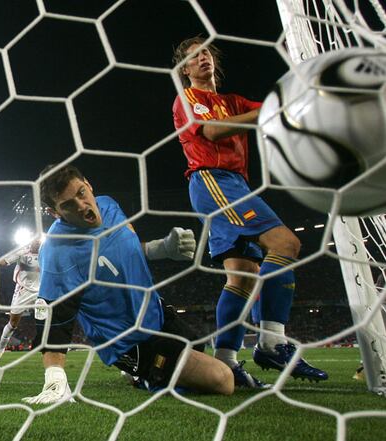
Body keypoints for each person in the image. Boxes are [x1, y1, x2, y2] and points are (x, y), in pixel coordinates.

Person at [172, 36, 328, 384]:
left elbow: (280, 106)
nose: (203, 59)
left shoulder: (233, 101)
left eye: (207, 52)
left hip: (235, 184)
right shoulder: (188, 98)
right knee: (286, 244)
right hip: (212, 180)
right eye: (194, 56)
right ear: (185, 69)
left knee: (242, 275)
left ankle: (226, 361)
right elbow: (211, 131)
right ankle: (272, 343)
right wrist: (264, 113)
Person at [23, 164, 234, 404]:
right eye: (68, 205)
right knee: (221, 379)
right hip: (128, 342)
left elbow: (126, 250)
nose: (82, 206)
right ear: (55, 212)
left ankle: (142, 375)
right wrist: (55, 377)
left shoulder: (109, 205)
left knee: (198, 350)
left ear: (89, 185)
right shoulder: (57, 251)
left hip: (157, 315)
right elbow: (53, 316)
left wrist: (163, 248)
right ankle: (143, 375)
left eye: (81, 193)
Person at [0, 239, 41, 363]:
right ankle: (1, 349)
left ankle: (56, 344)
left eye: (39, 241)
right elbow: (5, 261)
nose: (37, 243)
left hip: (40, 291)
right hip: (23, 291)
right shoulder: (22, 252)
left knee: (50, 316)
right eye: (35, 241)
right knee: (13, 324)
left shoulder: (46, 252)